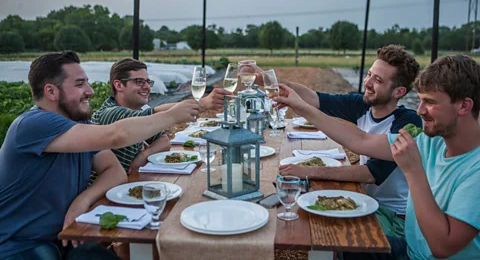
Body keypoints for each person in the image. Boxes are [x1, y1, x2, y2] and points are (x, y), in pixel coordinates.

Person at [275, 55, 480, 259]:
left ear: (464, 106)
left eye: (430, 102)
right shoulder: (431, 141)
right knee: (336, 241)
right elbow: (360, 141)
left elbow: (442, 248)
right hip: (412, 250)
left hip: (422, 254)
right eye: (420, 101)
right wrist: (299, 106)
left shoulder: (475, 168)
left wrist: (413, 171)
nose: (420, 111)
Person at [0, 51, 199, 260]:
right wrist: (171, 116)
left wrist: (82, 200)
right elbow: (116, 135)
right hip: (19, 244)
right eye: (80, 84)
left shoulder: (80, 125)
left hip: (67, 236)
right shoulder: (33, 125)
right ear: (51, 91)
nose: (90, 91)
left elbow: (115, 172)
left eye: (87, 82)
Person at [263, 45, 422, 237]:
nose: (368, 83)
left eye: (377, 80)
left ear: (398, 92)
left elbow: (370, 173)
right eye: (369, 74)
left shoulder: (408, 122)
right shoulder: (363, 105)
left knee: (330, 230)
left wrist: (309, 172)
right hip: (367, 201)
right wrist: (268, 80)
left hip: (395, 217)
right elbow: (315, 98)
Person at [90, 58, 231, 177]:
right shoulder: (111, 113)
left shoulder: (138, 114)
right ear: (119, 85)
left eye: (148, 82)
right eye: (139, 81)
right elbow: (155, 115)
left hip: (127, 182)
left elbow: (164, 141)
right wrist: (203, 104)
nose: (147, 87)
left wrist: (144, 155)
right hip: (102, 197)